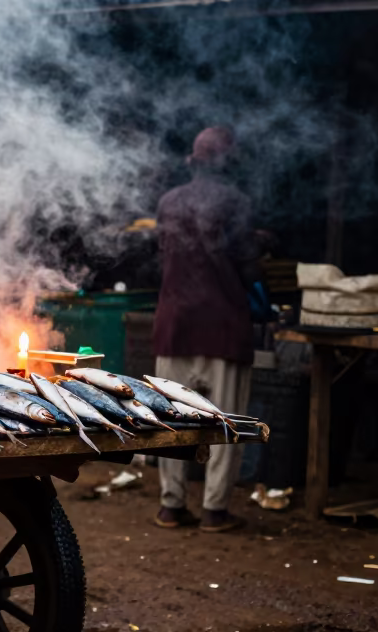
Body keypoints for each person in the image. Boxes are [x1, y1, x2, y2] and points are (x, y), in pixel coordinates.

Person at [151, 126, 260, 533]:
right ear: (228, 164)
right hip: (222, 325)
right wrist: (261, 248)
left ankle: (171, 506)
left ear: (193, 162)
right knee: (227, 421)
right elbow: (248, 267)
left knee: (171, 420)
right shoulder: (236, 202)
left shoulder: (168, 202)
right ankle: (214, 510)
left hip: (175, 323)